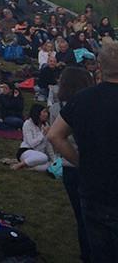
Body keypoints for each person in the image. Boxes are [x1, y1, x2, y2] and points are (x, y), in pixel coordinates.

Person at [49, 42, 118, 263]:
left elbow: (54, 135)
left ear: (99, 66)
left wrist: (80, 161)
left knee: (100, 252)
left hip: (94, 188)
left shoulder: (83, 98)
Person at [49, 66, 95, 263]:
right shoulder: (89, 104)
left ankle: (86, 253)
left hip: (69, 165)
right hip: (87, 162)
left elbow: (54, 137)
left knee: (81, 214)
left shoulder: (55, 108)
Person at [12, 104, 55, 172]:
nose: (46, 114)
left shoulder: (46, 125)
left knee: (51, 164)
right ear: (37, 113)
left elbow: (48, 144)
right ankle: (21, 164)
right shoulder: (28, 124)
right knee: (44, 158)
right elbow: (32, 143)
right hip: (27, 151)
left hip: (40, 154)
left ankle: (30, 168)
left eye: (46, 112)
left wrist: (54, 160)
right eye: (44, 112)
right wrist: (43, 133)